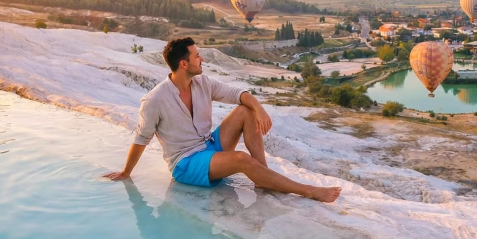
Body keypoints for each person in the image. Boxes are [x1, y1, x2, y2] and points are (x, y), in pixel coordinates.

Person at [105, 37, 341, 203]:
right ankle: (309, 191)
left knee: (245, 110)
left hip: (209, 146)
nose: (202, 59)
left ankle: (264, 178)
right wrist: (126, 172)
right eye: (197, 56)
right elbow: (141, 138)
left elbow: (238, 95)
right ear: (183, 64)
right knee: (241, 159)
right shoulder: (155, 99)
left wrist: (259, 109)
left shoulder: (202, 83)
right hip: (186, 163)